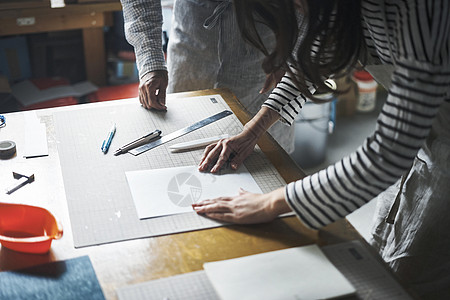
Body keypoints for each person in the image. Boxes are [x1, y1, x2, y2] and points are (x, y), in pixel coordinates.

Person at [192, 0, 450, 298]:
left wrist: (272, 202)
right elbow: (313, 63)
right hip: (422, 133)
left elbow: (389, 151)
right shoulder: (347, 9)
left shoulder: (415, 9)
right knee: (379, 258)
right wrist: (252, 132)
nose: (299, 10)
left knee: (416, 273)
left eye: (298, 4)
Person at [120, 0, 295, 153]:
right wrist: (150, 58)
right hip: (193, 30)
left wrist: (292, 50)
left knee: (267, 163)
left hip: (270, 32)